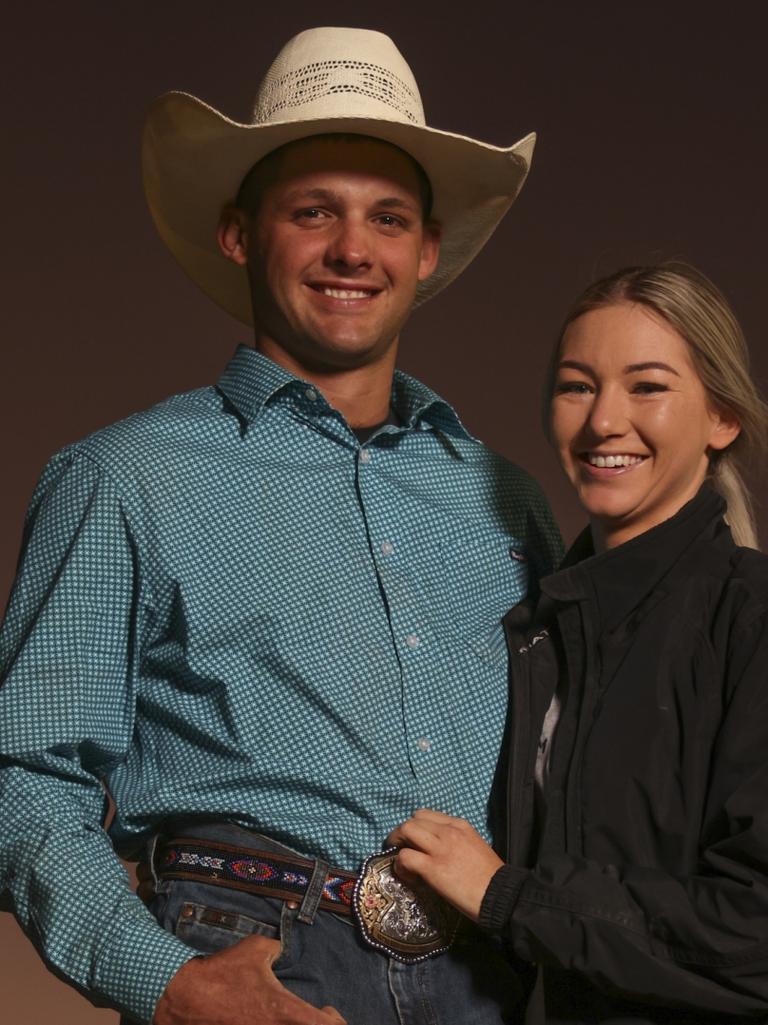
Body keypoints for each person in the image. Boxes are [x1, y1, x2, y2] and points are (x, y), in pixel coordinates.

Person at [0, 26, 562, 1025]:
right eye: (314, 212)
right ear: (238, 232)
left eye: (388, 218)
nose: (354, 248)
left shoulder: (506, 499)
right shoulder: (122, 478)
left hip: (495, 971)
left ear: (425, 250)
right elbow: (26, 779)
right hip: (256, 954)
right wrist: (164, 979)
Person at [388, 261, 768, 1023]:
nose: (603, 421)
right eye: (577, 385)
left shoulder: (751, 617)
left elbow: (755, 933)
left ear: (722, 417)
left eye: (648, 386)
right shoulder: (540, 631)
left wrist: (509, 896)